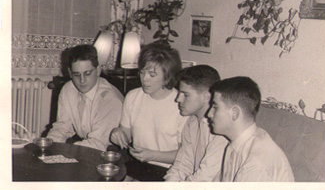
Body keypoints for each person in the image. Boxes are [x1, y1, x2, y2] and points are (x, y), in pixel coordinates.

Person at [110, 42, 188, 181]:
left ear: (167, 76)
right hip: (137, 166)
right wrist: (117, 133)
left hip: (169, 171)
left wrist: (153, 155)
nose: (144, 79)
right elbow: (125, 133)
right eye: (142, 72)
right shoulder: (133, 96)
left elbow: (187, 155)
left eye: (152, 74)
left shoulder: (181, 104)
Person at [208, 76, 294, 182]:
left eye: (215, 107)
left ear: (234, 113)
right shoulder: (240, 142)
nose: (209, 114)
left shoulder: (256, 163)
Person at [47, 44, 124, 151]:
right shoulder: (68, 89)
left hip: (109, 152)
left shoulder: (109, 99)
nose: (82, 80)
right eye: (76, 75)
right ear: (70, 73)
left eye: (87, 73)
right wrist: (48, 145)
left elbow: (98, 143)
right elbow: (62, 127)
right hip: (85, 146)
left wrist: (66, 152)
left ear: (98, 70)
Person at [164, 65, 228, 181]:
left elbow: (205, 178)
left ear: (206, 97)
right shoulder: (192, 122)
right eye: (179, 93)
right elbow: (182, 164)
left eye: (185, 94)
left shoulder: (221, 130)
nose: (178, 99)